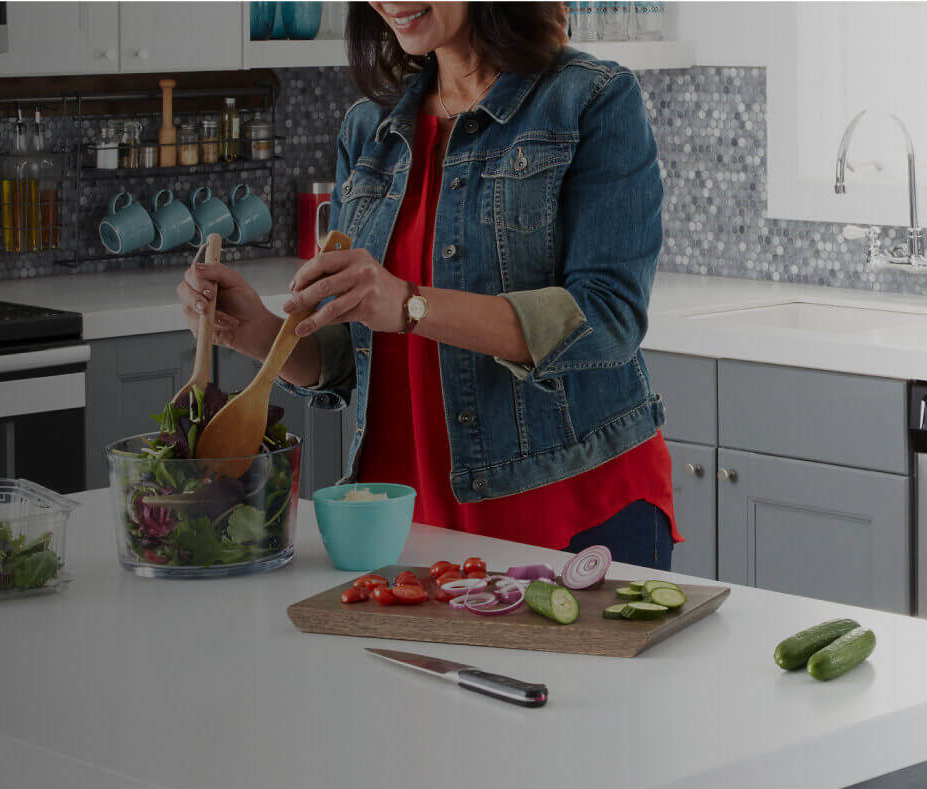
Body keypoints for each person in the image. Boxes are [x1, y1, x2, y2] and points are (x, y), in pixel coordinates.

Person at [179, 1, 677, 569]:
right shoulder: (370, 129)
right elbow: (358, 353)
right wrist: (258, 332)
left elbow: (608, 318)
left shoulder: (590, 99)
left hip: (568, 505)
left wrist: (411, 305)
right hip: (403, 520)